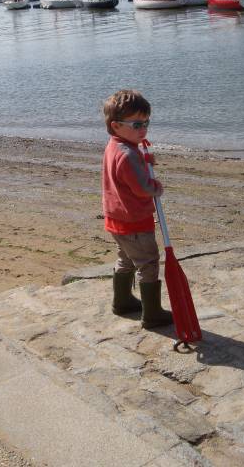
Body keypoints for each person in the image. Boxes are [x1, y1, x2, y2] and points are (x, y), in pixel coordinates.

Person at [102, 90, 173, 329]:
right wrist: (155, 187)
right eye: (137, 124)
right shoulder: (128, 154)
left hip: (116, 218)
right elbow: (142, 188)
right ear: (116, 125)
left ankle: (122, 301)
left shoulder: (115, 145)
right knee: (148, 262)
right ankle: (152, 314)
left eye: (146, 123)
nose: (143, 129)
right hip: (134, 220)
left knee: (126, 258)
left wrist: (145, 161)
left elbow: (125, 172)